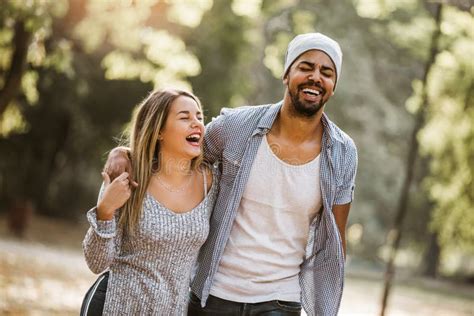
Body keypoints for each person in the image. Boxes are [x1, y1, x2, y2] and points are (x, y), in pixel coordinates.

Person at [106, 32, 357, 316]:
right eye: (305, 67)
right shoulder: (236, 127)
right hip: (213, 295)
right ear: (287, 75)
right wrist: (126, 153)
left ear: (333, 86)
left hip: (281, 299)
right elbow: (180, 151)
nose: (315, 77)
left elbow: (336, 241)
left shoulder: (342, 152)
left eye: (326, 72)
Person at [82, 88, 218, 315]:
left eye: (199, 117)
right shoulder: (126, 177)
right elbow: (97, 263)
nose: (197, 124)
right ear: (159, 131)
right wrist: (105, 211)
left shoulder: (212, 181)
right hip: (115, 307)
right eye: (185, 117)